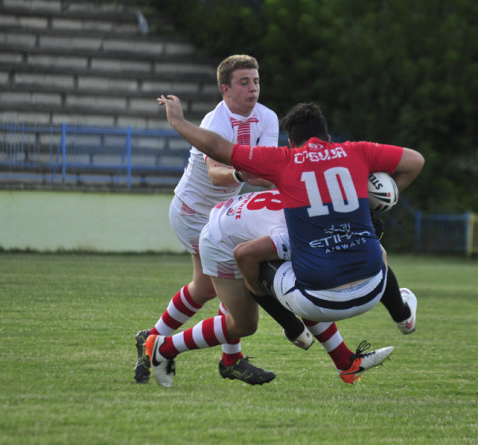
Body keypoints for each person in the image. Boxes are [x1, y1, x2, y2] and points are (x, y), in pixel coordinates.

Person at [151, 96, 425, 383]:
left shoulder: (286, 161)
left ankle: (338, 357)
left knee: (294, 276)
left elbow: (219, 148)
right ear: (328, 138)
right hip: (223, 237)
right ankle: (165, 346)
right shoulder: (355, 152)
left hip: (279, 262)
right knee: (246, 317)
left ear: (291, 144)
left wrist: (178, 122)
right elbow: (415, 161)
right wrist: (371, 208)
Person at [135, 55, 301, 386]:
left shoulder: (267, 117)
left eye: (256, 81)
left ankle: (153, 339)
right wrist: (243, 173)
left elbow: (266, 168)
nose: (253, 88)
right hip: (193, 212)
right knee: (226, 281)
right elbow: (215, 173)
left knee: (210, 285)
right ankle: (226, 359)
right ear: (225, 89)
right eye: (244, 82)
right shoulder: (216, 121)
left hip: (224, 213)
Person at [145, 189, 379, 387]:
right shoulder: (300, 236)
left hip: (235, 220)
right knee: (244, 324)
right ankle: (163, 348)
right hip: (222, 241)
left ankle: (345, 363)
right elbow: (245, 257)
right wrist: (289, 323)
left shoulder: (317, 208)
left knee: (306, 285)